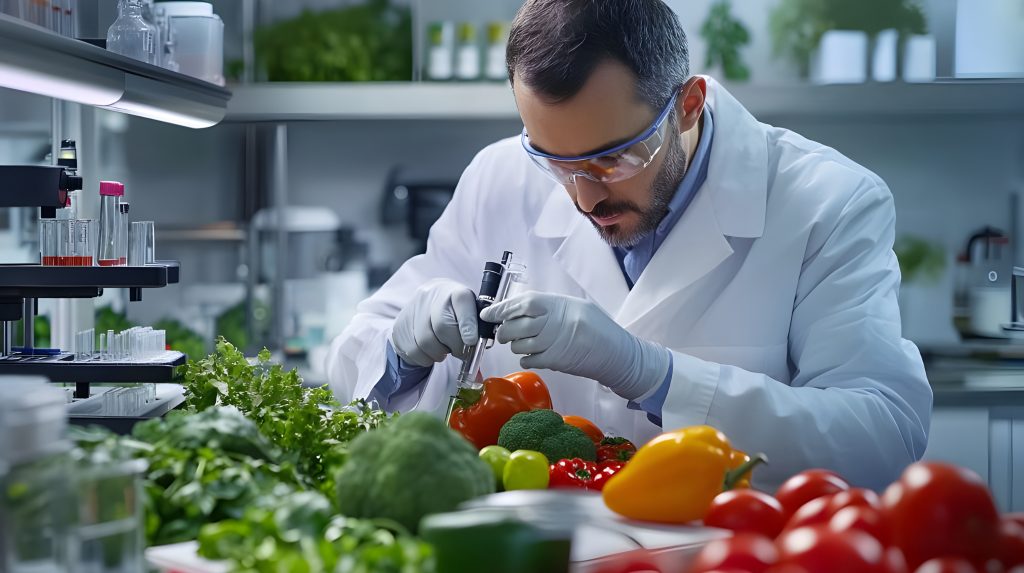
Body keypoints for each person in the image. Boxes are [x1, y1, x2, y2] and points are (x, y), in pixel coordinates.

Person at [326, 0, 932, 490]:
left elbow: (882, 438)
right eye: (554, 161)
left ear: (688, 105)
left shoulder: (830, 201)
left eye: (614, 158)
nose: (584, 197)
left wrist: (652, 374)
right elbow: (350, 363)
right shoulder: (499, 177)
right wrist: (403, 348)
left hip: (723, 553)